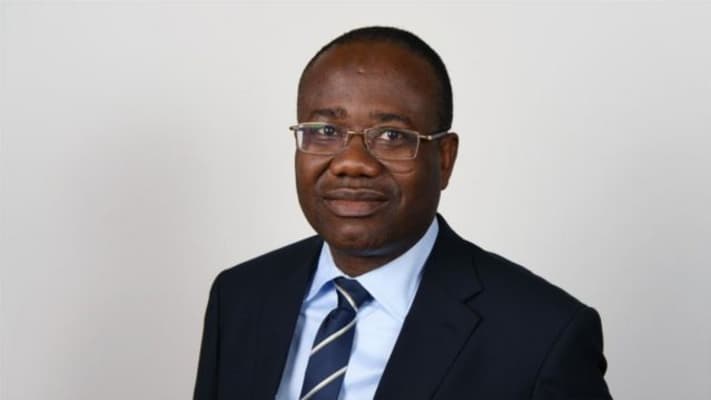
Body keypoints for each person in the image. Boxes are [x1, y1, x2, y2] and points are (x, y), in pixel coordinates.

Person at [194, 26, 612, 400]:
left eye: (392, 135)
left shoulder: (542, 336)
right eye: (325, 131)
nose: (352, 162)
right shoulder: (240, 297)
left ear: (444, 158)